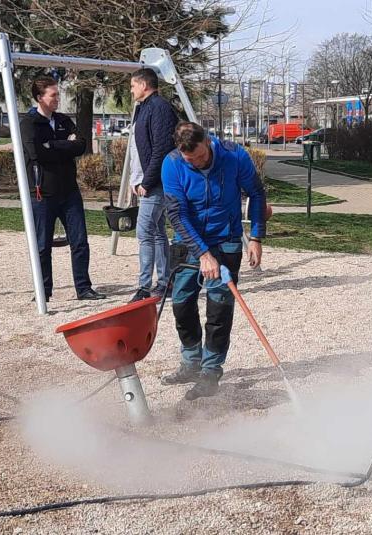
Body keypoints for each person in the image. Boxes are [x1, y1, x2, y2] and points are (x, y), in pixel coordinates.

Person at [160, 122, 267, 400]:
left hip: (227, 239)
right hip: (187, 241)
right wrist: (203, 253)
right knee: (181, 304)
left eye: (200, 156)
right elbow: (177, 214)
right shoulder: (172, 164)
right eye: (190, 160)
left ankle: (211, 371)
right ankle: (191, 361)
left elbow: (256, 193)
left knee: (219, 308)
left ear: (208, 141)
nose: (196, 163)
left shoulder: (235, 156)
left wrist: (255, 236)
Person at [20, 76, 106, 302]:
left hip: (69, 191)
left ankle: (84, 288)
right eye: (53, 95)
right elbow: (37, 153)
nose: (58, 99)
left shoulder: (62, 120)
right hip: (42, 193)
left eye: (58, 94)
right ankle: (44, 290)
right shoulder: (29, 123)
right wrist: (64, 145)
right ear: (40, 97)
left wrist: (56, 145)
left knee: (79, 242)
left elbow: (80, 145)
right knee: (42, 246)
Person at [128, 68, 178, 302]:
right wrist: (136, 178)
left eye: (133, 86)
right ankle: (165, 281)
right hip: (147, 179)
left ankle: (144, 286)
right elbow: (140, 149)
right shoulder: (143, 108)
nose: (131, 90)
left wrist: (147, 181)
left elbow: (161, 148)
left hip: (156, 181)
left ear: (144, 85)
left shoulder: (159, 108)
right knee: (157, 232)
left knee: (144, 231)